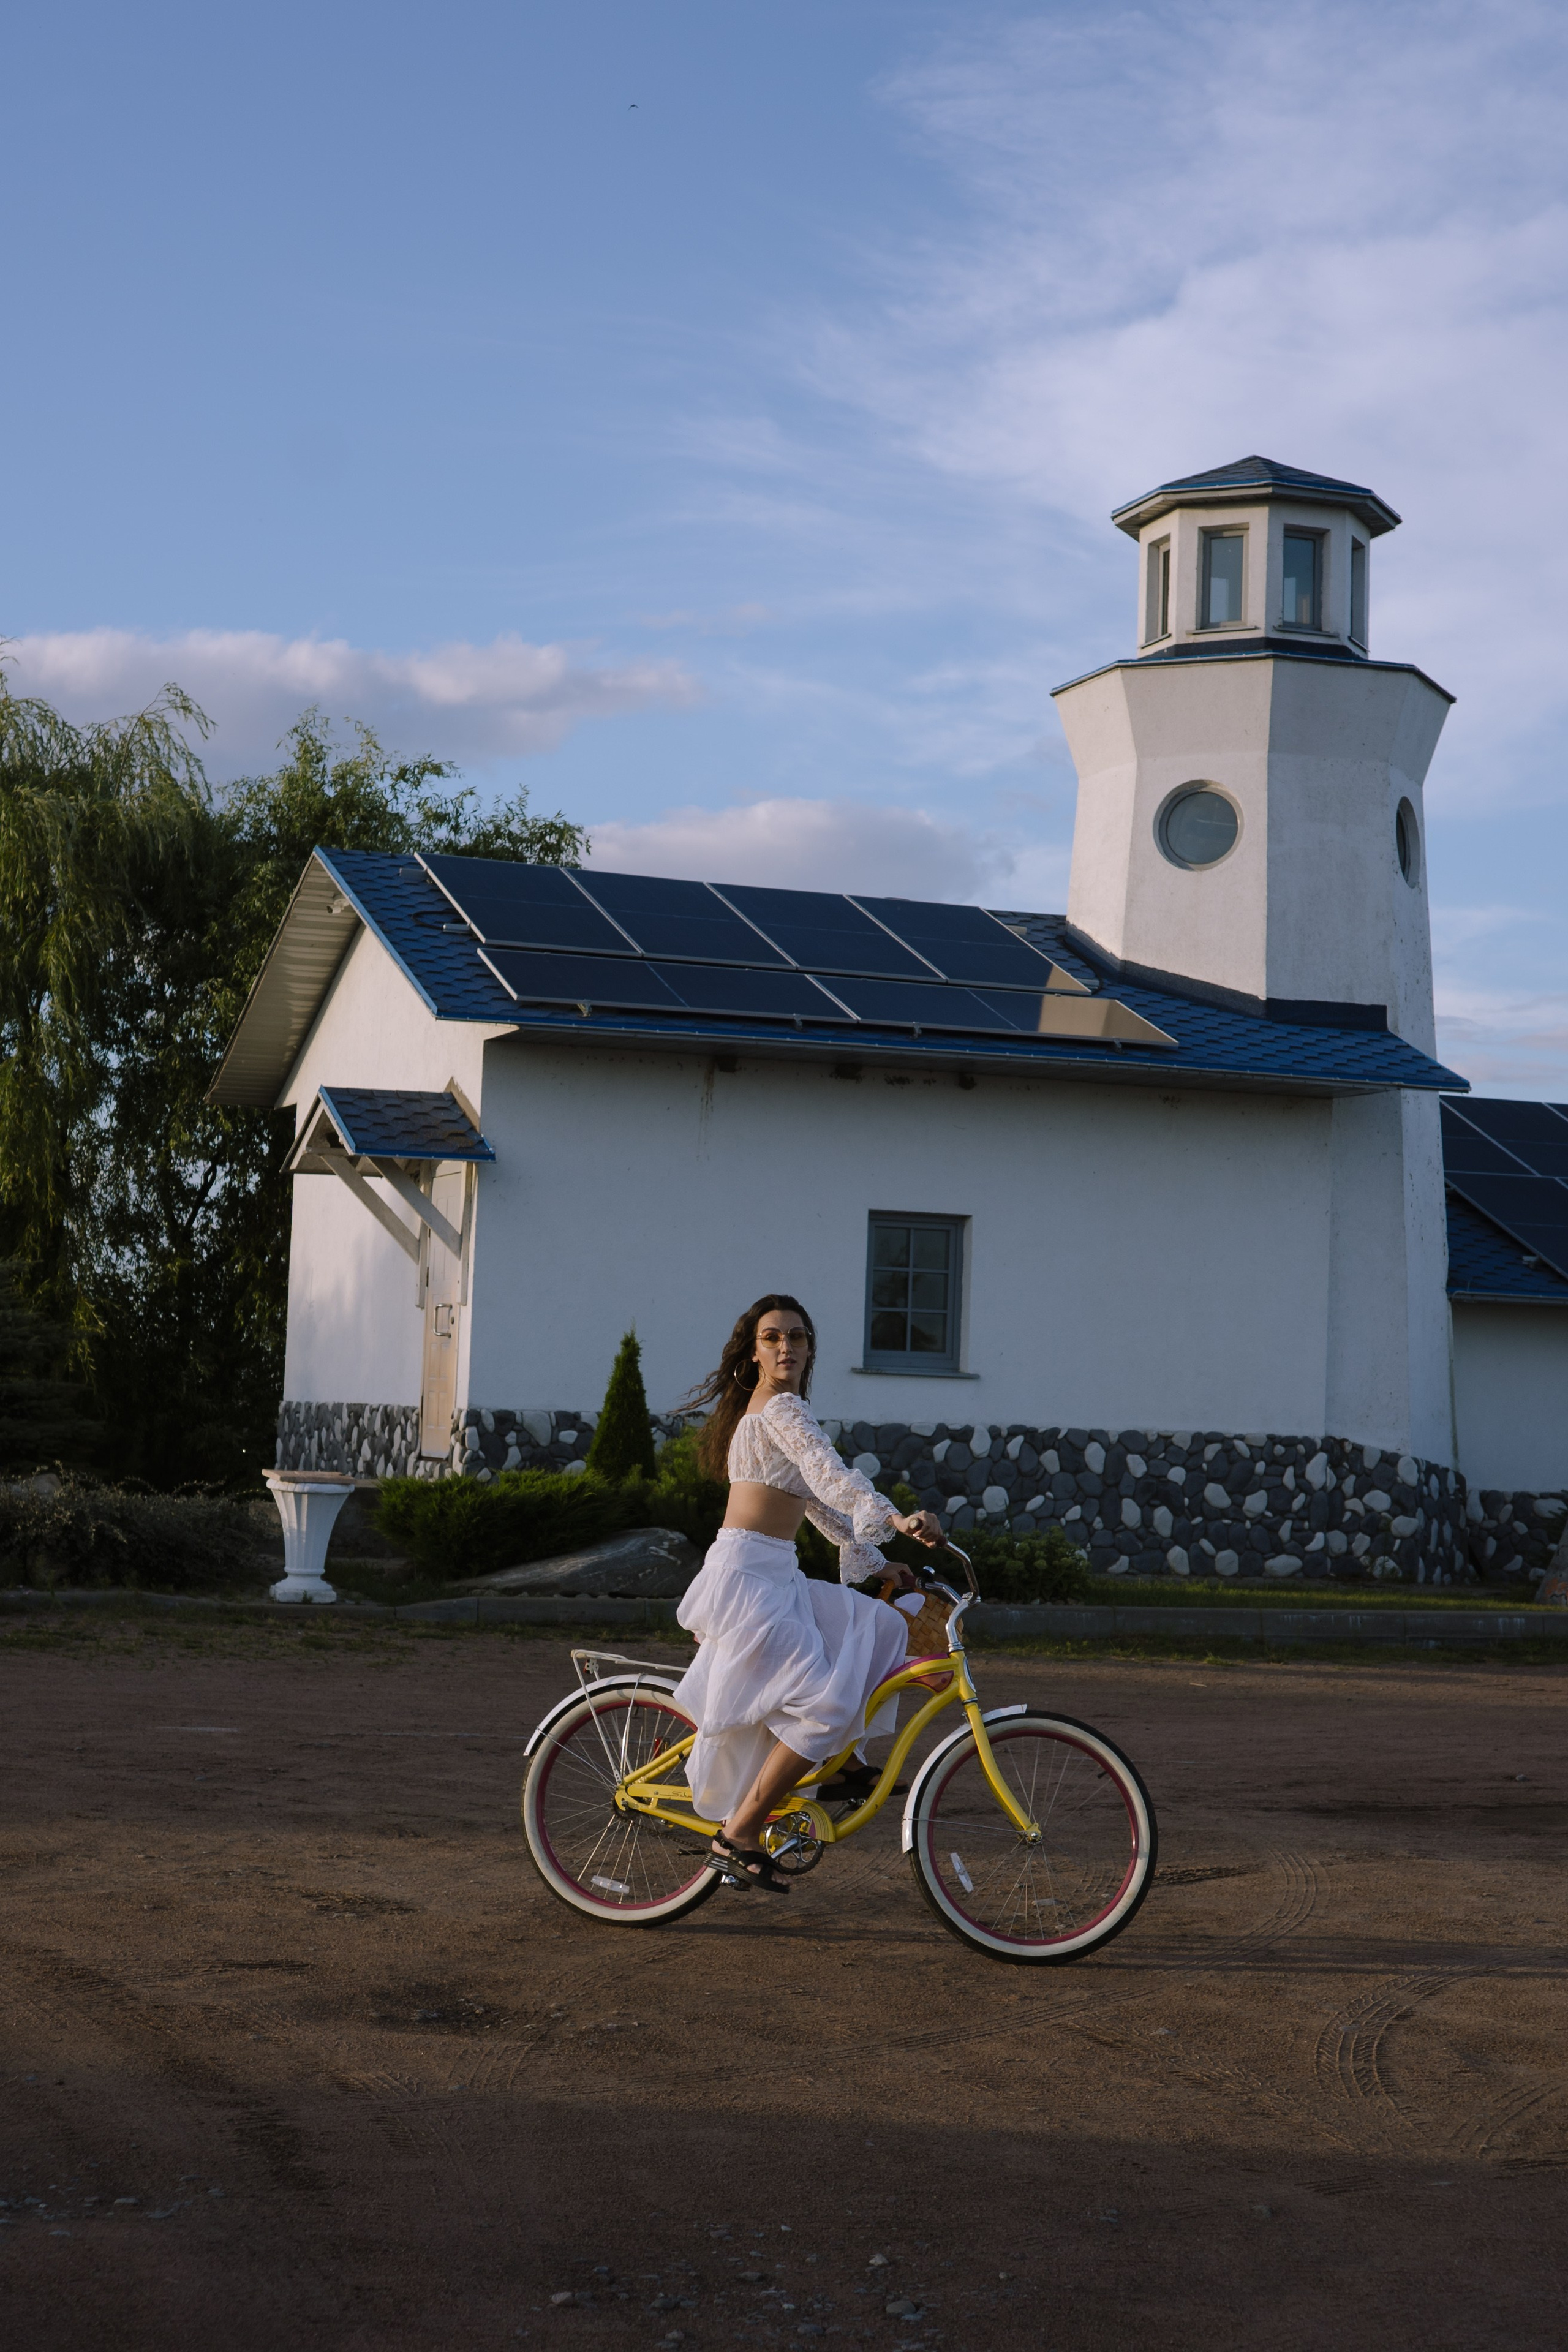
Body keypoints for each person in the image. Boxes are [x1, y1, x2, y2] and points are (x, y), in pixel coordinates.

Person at [672, 1293, 943, 1894]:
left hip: (772, 1575)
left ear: (810, 1347)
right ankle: (737, 1833)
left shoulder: (775, 1411)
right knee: (822, 1705)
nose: (786, 1347)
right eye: (772, 1337)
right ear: (753, 1350)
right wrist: (897, 1519)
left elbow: (818, 1504)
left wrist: (877, 1562)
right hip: (747, 1580)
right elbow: (831, 1477)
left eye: (796, 1337)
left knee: (880, 1626)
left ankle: (843, 1764)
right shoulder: (781, 1410)